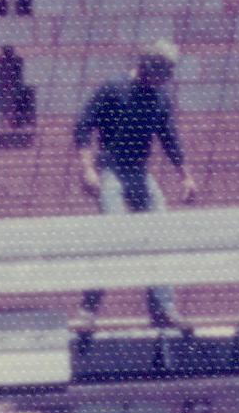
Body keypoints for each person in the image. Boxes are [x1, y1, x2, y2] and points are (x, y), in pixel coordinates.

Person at [74, 38, 199, 330]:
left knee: (159, 233)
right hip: (112, 171)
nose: (163, 80)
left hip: (140, 172)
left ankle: (164, 308)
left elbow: (169, 138)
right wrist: (88, 168)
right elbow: (83, 125)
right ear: (146, 65)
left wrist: (186, 176)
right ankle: (88, 310)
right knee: (112, 238)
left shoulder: (159, 98)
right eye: (161, 73)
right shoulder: (114, 89)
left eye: (167, 75)